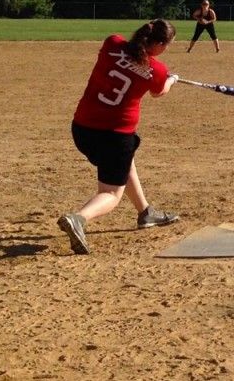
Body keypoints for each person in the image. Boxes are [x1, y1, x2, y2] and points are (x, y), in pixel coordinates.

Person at [58, 19, 181, 255]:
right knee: (112, 193)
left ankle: (145, 212)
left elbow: (126, 59)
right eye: (166, 45)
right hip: (115, 136)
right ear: (159, 44)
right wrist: (171, 80)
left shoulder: (112, 43)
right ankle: (79, 218)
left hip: (82, 129)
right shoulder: (157, 70)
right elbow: (159, 92)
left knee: (126, 162)